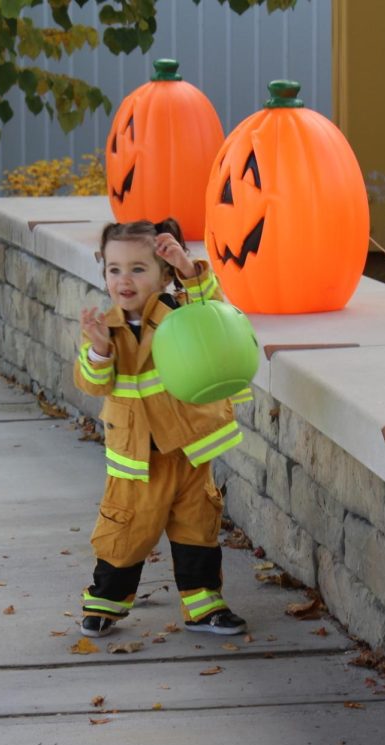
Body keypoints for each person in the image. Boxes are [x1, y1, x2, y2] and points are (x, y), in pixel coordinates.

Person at [74, 218, 248, 638]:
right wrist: (98, 350)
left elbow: (214, 314)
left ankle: (204, 605)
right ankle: (105, 603)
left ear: (163, 275)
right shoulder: (106, 329)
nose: (124, 280)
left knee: (197, 527)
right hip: (136, 456)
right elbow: (92, 382)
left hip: (186, 450)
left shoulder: (178, 312)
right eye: (114, 269)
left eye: (138, 268)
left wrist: (189, 269)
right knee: (126, 529)